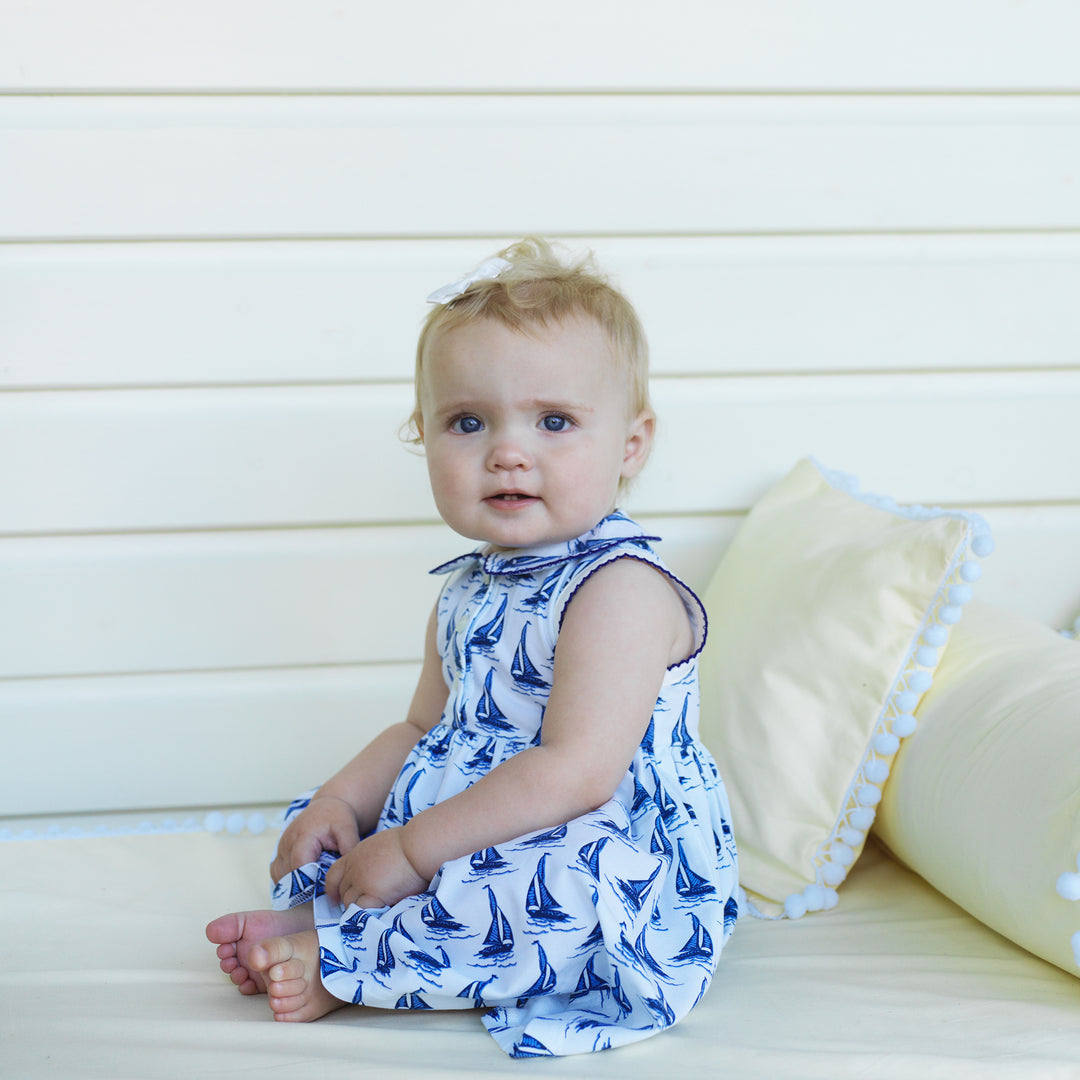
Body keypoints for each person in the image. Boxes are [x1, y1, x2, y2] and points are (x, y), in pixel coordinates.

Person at [206, 238, 739, 1057]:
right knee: (340, 824)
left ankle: (348, 965)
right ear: (425, 438)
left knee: (550, 884)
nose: (508, 451)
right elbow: (420, 729)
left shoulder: (619, 591)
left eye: (554, 420)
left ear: (631, 445)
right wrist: (344, 805)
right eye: (468, 422)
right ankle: (330, 911)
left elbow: (574, 773)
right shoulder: (469, 588)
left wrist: (415, 851)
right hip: (482, 814)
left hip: (599, 835)